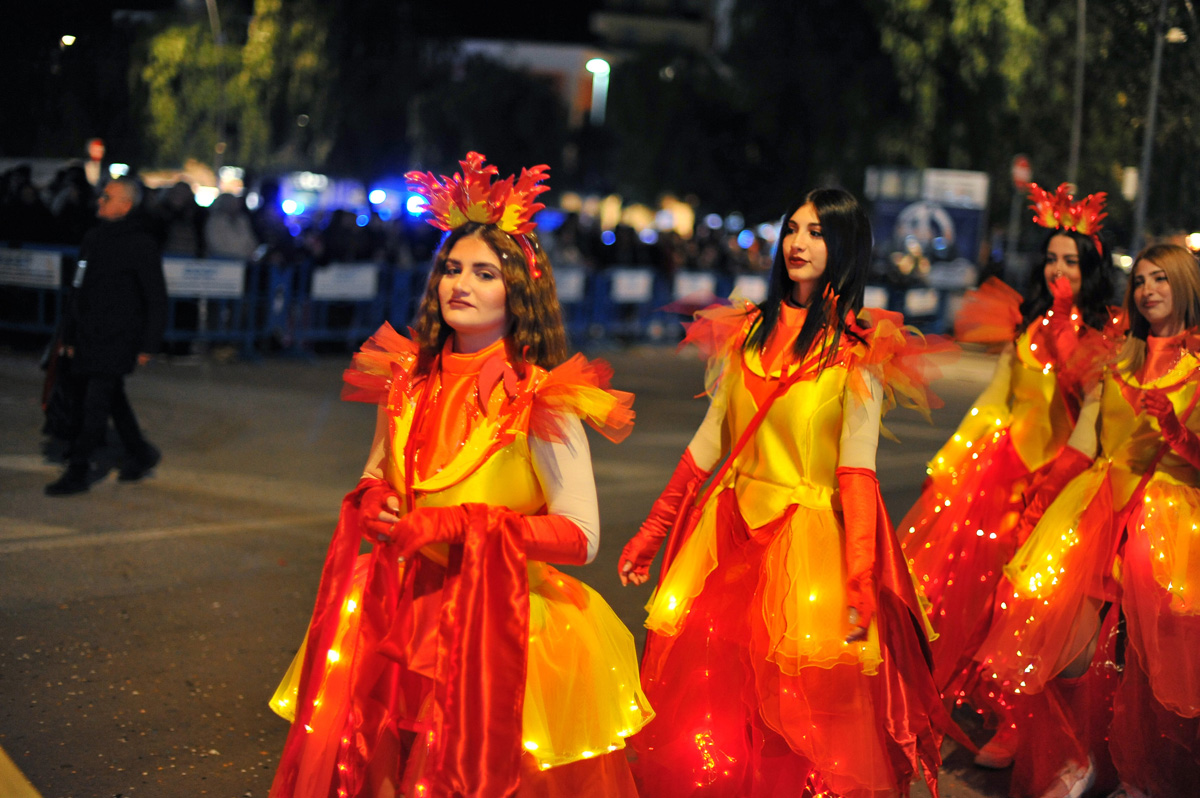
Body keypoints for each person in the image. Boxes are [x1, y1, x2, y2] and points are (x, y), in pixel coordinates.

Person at [267, 153, 653, 798]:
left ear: (519, 290)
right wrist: (375, 500)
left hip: (499, 624)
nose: (460, 285)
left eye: (484, 272)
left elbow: (582, 535)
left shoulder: (543, 397)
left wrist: (462, 525)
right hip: (396, 610)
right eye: (452, 268)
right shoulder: (404, 376)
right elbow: (376, 472)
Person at [617, 188, 953, 797]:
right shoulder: (747, 331)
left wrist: (860, 576)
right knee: (714, 711)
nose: (798, 243)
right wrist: (651, 530)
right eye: (793, 229)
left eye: (817, 233)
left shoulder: (858, 353)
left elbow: (857, 473)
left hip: (807, 554)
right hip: (728, 541)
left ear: (845, 246)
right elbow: (708, 442)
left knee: (796, 721)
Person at [897, 183, 1119, 776]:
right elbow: (997, 399)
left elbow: (1092, 420)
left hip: (1062, 485)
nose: (1058, 270)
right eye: (1051, 259)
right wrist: (951, 460)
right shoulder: (1027, 327)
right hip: (1001, 475)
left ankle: (1020, 718)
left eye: (1071, 261)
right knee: (976, 591)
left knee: (1031, 604)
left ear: (1091, 268)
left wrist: (1054, 484)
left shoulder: (1101, 340)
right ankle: (982, 702)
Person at [976, 243, 1200, 798]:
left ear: (1185, 285)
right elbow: (1086, 436)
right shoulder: (1117, 355)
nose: (1147, 290)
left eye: (1161, 279)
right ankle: (1084, 755)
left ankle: (1140, 772)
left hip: (1167, 520)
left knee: (1147, 657)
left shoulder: (1198, 364)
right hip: (1098, 506)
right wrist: (1042, 501)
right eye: (1140, 280)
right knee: (1063, 641)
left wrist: (1177, 434)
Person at [45, 177, 166, 496]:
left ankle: (78, 470)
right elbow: (78, 287)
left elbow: (155, 297)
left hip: (118, 338)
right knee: (112, 399)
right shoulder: (93, 238)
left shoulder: (141, 243)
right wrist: (69, 334)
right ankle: (139, 453)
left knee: (95, 404)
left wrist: (149, 344)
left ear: (125, 205)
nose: (100, 201)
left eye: (107, 197)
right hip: (88, 335)